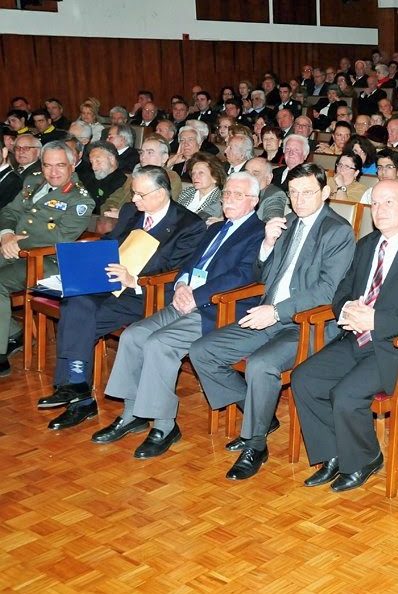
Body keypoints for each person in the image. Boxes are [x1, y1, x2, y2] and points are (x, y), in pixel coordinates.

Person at [188, 164, 355, 481]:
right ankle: (259, 414)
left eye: (307, 192)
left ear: (325, 193)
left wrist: (277, 312)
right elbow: (263, 276)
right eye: (293, 192)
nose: (299, 199)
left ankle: (256, 443)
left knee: (261, 365)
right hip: (268, 315)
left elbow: (326, 291)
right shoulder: (286, 224)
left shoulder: (337, 231)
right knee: (203, 351)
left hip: (307, 324)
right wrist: (266, 244)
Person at [89, 173, 266, 458]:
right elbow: (190, 263)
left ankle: (164, 425)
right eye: (227, 194)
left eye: (238, 195)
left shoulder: (259, 233)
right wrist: (183, 283)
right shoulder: (215, 228)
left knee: (159, 343)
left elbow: (243, 275)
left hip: (219, 309)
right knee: (134, 335)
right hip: (186, 299)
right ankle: (133, 413)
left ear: (254, 201)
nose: (229, 200)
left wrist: (196, 295)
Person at [290, 179, 398, 492]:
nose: (380, 210)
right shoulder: (365, 246)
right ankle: (333, 454)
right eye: (375, 203)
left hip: (397, 349)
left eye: (388, 202)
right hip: (355, 339)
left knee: (346, 395)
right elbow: (341, 292)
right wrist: (346, 308)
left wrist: (376, 319)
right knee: (304, 379)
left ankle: (365, 458)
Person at [40, 166, 207, 429]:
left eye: (141, 195)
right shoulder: (132, 212)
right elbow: (112, 242)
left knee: (78, 320)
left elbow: (177, 274)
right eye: (133, 193)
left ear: (161, 193)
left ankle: (79, 397)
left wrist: (135, 281)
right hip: (109, 284)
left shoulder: (189, 225)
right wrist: (88, 253)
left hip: (146, 295)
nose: (134, 200)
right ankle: (76, 389)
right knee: (73, 303)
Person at [0, 142, 95, 376]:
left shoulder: (81, 200)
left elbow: (58, 237)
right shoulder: (33, 181)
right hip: (15, 249)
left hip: (48, 262)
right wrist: (6, 235)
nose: (53, 172)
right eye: (47, 165)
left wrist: (16, 242)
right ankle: (12, 331)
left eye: (60, 165)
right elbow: (9, 212)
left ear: (72, 166)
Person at [177, 152, 226, 221]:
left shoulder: (220, 201)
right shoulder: (187, 192)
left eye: (201, 173)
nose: (195, 177)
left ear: (215, 178)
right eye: (193, 173)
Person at [241, 156, 288, 222]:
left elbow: (271, 224)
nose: (248, 177)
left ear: (268, 178)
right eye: (246, 173)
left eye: (255, 174)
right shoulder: (238, 190)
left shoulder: (274, 194)